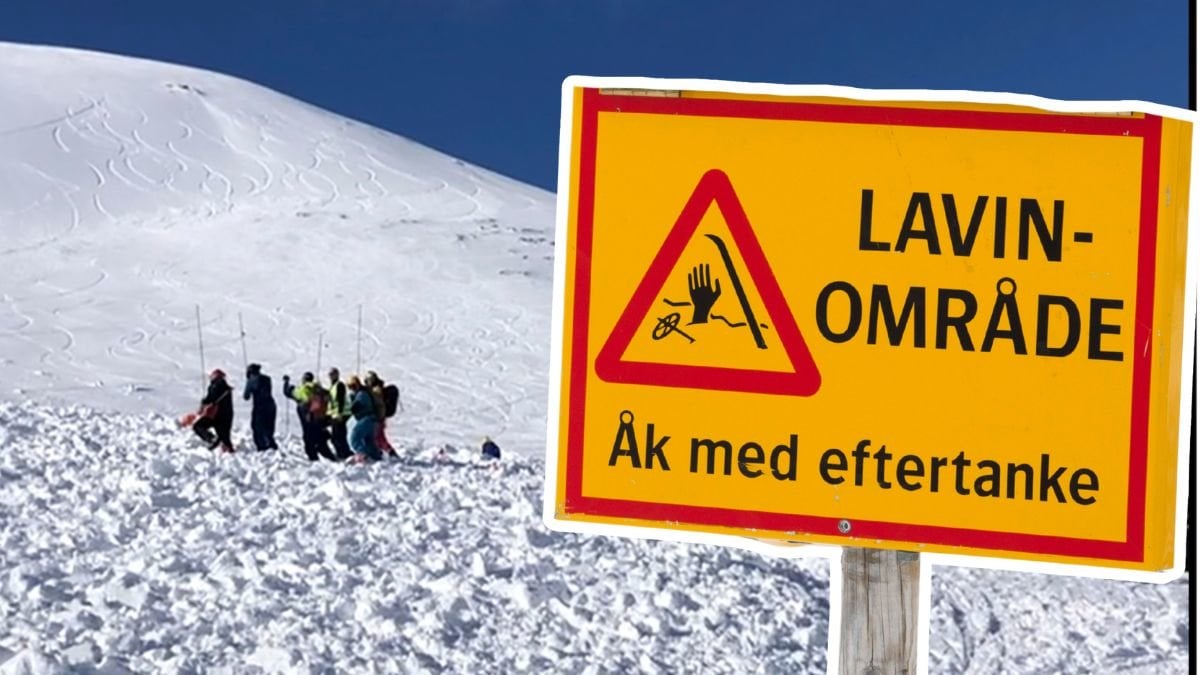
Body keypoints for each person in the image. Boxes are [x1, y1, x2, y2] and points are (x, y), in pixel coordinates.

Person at [283, 372, 336, 462]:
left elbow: (288, 392)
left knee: (309, 440)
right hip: (321, 419)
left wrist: (286, 382)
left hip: (309, 420)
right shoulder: (319, 389)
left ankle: (313, 460)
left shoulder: (303, 389)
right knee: (321, 440)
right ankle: (331, 458)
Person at [193, 369, 234, 452]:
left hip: (217, 415)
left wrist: (204, 402)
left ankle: (213, 440)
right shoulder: (225, 388)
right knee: (224, 436)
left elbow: (211, 398)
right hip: (224, 415)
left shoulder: (216, 386)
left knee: (198, 426)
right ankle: (224, 447)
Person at [242, 363, 278, 451]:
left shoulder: (251, 380)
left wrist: (249, 384)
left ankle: (262, 447)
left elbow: (246, 396)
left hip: (260, 407)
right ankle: (272, 446)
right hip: (271, 405)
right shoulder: (267, 379)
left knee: (257, 427)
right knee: (268, 427)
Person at [347, 375, 382, 462]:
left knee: (355, 437)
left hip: (366, 419)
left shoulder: (361, 394)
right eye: (350, 387)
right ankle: (376, 457)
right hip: (372, 420)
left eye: (353, 386)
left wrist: (352, 402)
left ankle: (362, 455)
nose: (352, 389)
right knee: (368, 441)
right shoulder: (363, 393)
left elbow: (355, 408)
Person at [364, 371, 396, 456]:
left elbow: (377, 403)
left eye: (368, 380)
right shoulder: (377, 388)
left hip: (378, 417)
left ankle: (389, 452)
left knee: (379, 437)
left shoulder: (376, 389)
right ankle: (385, 452)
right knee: (378, 437)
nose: (367, 382)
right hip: (379, 416)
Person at [325, 367, 353, 460]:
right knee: (336, 436)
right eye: (330, 374)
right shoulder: (333, 386)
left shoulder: (339, 385)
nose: (331, 376)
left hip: (340, 414)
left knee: (339, 436)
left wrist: (340, 413)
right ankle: (341, 453)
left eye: (332, 374)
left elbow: (340, 400)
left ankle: (345, 453)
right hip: (335, 414)